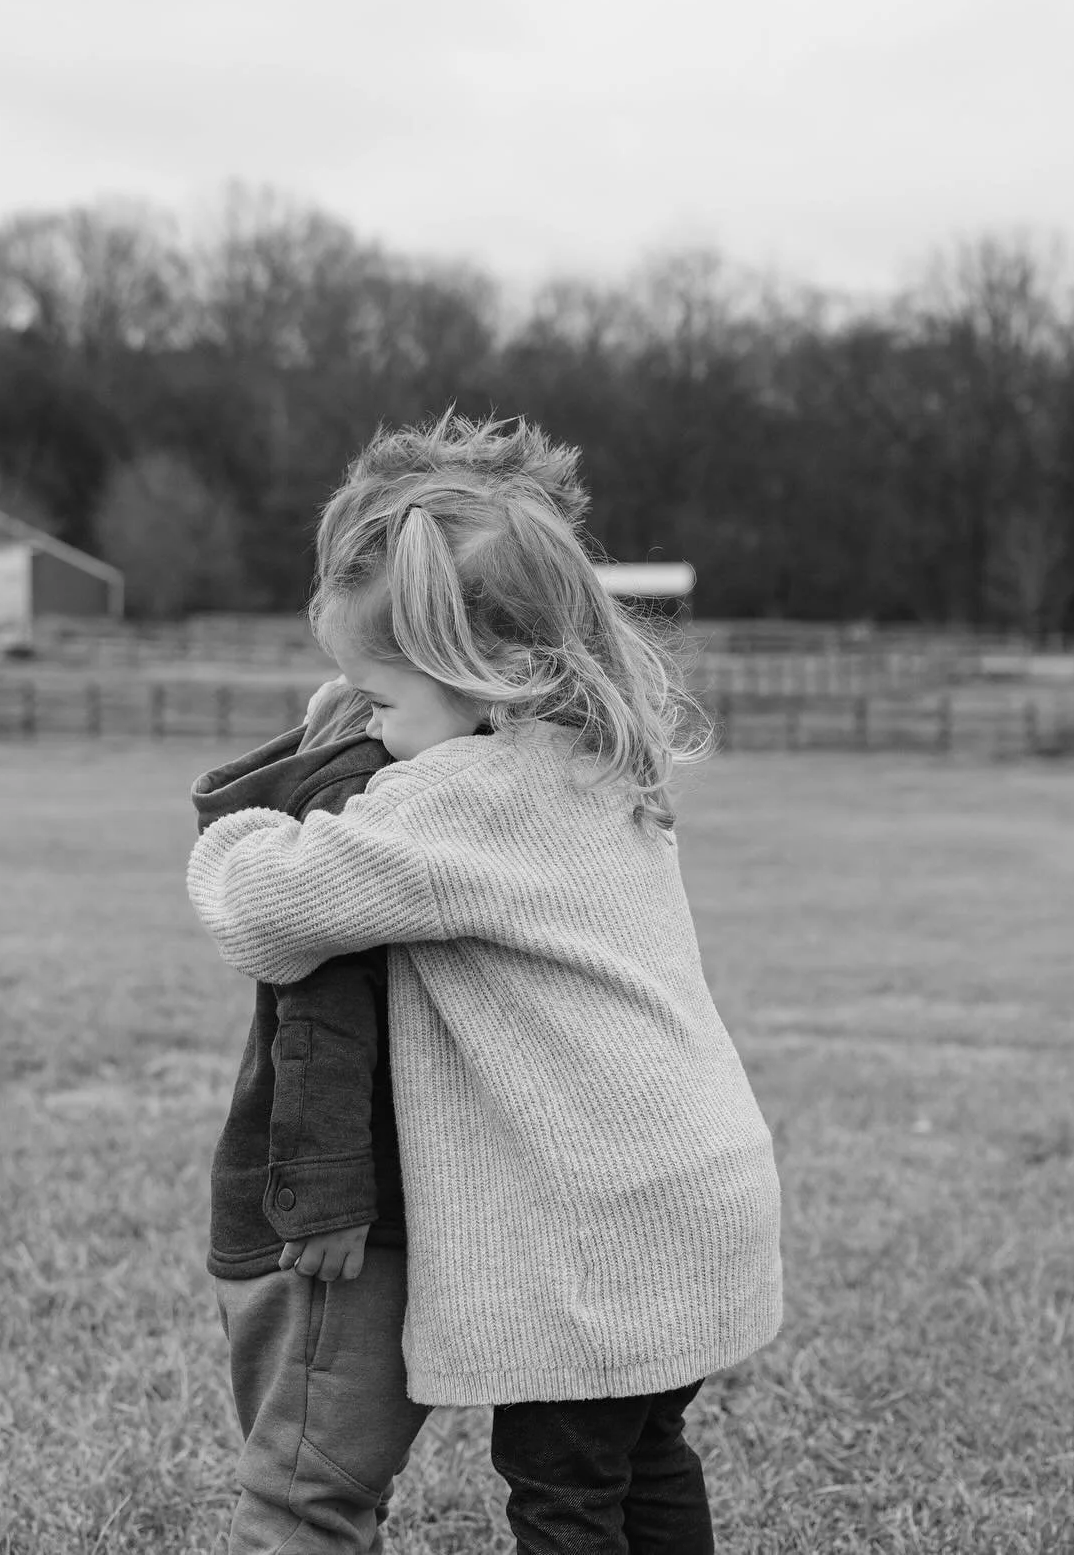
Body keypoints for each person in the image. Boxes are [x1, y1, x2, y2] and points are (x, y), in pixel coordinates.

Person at [187, 413, 784, 1555]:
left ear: (484, 670)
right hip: (696, 1198)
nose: (365, 720)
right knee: (644, 1457)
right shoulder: (598, 759)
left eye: (380, 695)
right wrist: (381, 712)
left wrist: (245, 824)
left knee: (562, 1492)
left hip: (598, 1240)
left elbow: (263, 910)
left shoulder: (462, 795)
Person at [195, 679, 428, 1554]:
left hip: (320, 1225)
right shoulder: (357, 811)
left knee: (334, 1476)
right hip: (331, 1241)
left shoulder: (356, 798)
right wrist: (329, 1197)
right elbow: (322, 1023)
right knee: (308, 1490)